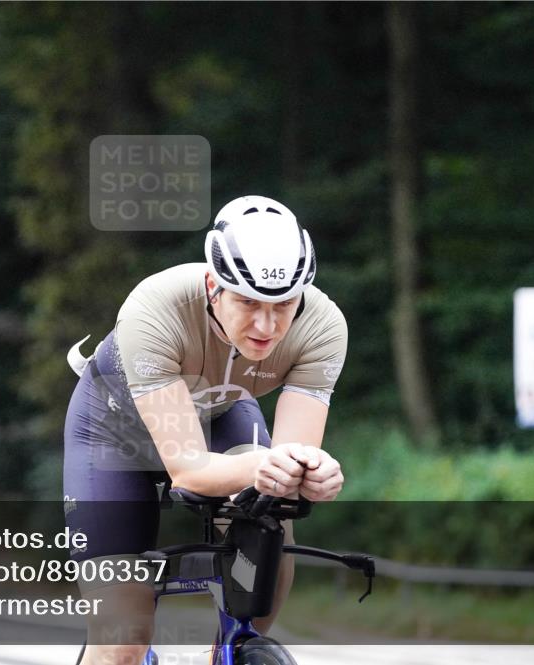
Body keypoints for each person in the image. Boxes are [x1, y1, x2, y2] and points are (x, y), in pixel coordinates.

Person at [63, 195, 347, 665]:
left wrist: (312, 472)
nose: (266, 324)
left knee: (275, 514)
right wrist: (265, 464)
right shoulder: (156, 307)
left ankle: (230, 649)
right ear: (213, 284)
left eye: (283, 305)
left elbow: (292, 460)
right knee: (123, 638)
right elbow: (189, 470)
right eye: (248, 302)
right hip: (113, 437)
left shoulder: (321, 326)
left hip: (219, 416)